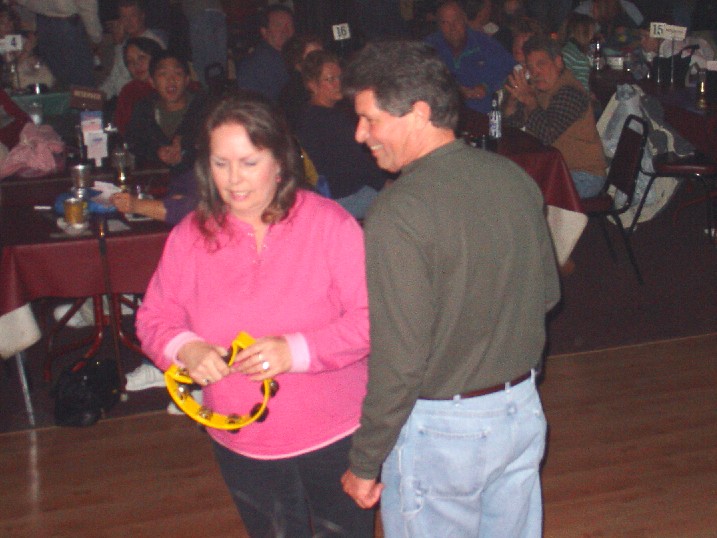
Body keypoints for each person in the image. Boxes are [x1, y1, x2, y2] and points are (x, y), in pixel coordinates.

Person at [340, 40, 560, 536]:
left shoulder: (398, 213)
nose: (360, 134)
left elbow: (400, 362)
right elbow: (547, 295)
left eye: (370, 119)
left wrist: (366, 460)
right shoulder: (514, 178)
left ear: (418, 113)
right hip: (522, 412)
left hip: (445, 433)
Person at [135, 91, 373, 537]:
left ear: (280, 161)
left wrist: (295, 351)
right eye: (220, 163)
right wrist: (186, 349)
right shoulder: (190, 236)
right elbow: (153, 318)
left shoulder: (330, 225)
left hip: (335, 435)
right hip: (241, 440)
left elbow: (371, 321)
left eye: (249, 162)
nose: (233, 180)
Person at [504, 35, 607, 198]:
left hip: (583, 175)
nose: (535, 72)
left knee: (521, 195)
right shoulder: (539, 88)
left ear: (558, 62)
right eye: (530, 67)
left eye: (541, 64)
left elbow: (547, 135)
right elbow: (512, 128)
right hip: (552, 169)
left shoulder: (569, 92)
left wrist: (530, 101)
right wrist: (512, 102)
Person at [295, 50, 390, 219]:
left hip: (337, 194)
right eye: (330, 79)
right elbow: (358, 164)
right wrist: (385, 184)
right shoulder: (327, 120)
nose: (338, 83)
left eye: (340, 77)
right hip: (346, 197)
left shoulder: (311, 113)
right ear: (312, 85)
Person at [425, 0, 515, 114]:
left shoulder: (485, 43)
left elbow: (510, 68)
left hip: (481, 115)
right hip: (442, 114)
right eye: (445, 23)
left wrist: (485, 86)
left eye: (456, 20)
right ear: (438, 25)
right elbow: (422, 79)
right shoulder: (429, 47)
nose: (452, 27)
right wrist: (455, 90)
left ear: (464, 19)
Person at [125, 50, 206, 175]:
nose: (171, 80)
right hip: (156, 180)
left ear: (186, 80)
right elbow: (134, 145)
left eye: (177, 73)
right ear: (152, 82)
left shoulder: (203, 108)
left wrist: (185, 146)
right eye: (163, 74)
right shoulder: (144, 109)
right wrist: (157, 153)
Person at [14, 0, 102, 88]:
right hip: (68, 26)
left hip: (43, 24)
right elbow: (86, 5)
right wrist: (95, 36)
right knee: (81, 85)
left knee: (57, 81)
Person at [101, 0, 166, 100]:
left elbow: (124, 83)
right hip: (121, 98)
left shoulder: (153, 43)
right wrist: (96, 96)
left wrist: (118, 46)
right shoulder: (124, 41)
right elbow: (113, 79)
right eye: (124, 17)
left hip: (143, 100)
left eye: (133, 15)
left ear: (142, 16)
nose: (128, 22)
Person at [235, 5, 295, 101]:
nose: (285, 31)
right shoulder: (255, 64)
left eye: (289, 26)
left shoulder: (293, 56)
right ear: (264, 31)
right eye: (278, 25)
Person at [113, 36, 163, 136]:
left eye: (142, 58)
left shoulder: (173, 83)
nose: (136, 65)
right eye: (130, 62)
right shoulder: (129, 91)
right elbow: (122, 129)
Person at [277, 33, 323, 130]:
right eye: (314, 57)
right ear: (297, 61)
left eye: (322, 55)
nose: (322, 61)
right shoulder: (296, 92)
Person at [180, 0, 227, 88]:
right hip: (216, 10)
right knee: (218, 56)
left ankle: (212, 90)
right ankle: (218, 88)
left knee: (203, 56)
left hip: (199, 10)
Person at [561, 13, 597, 91]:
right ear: (584, 33)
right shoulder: (578, 57)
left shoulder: (568, 49)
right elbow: (583, 88)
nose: (594, 36)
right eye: (592, 32)